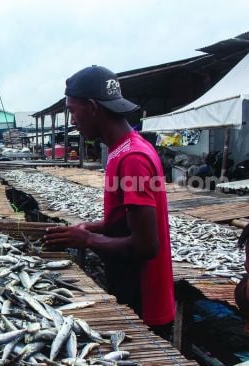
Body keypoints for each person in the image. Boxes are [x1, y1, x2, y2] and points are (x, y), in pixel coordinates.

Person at [44, 65, 175, 339]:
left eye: (72, 110)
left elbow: (147, 245)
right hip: (132, 287)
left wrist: (86, 240)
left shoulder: (132, 159)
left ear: (92, 107)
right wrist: (92, 227)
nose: (72, 121)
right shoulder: (127, 148)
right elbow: (128, 222)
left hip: (144, 299)